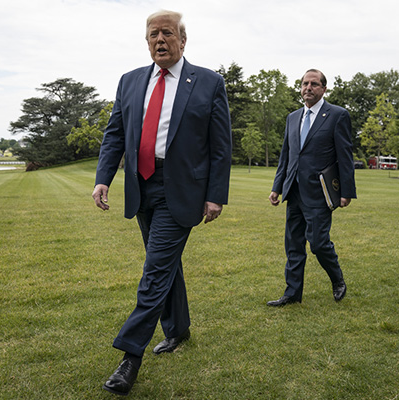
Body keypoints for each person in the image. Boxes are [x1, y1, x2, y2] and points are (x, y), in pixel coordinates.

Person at [92, 10, 232, 396]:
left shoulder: (208, 82)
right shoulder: (130, 81)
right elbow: (115, 133)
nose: (160, 40)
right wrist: (103, 178)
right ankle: (178, 329)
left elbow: (221, 146)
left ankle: (129, 357)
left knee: (154, 271)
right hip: (141, 187)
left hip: (182, 189)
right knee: (166, 264)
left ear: (182, 41)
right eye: (153, 34)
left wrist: (215, 195)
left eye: (167, 33)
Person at [267, 69, 356, 306]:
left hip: (319, 192)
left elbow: (345, 156)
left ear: (324, 89)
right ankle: (292, 294)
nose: (308, 87)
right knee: (293, 245)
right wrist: (277, 187)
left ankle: (337, 279)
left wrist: (347, 191)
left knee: (318, 243)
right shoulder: (293, 117)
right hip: (293, 191)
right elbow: (286, 156)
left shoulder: (337, 115)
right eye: (305, 83)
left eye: (314, 84)